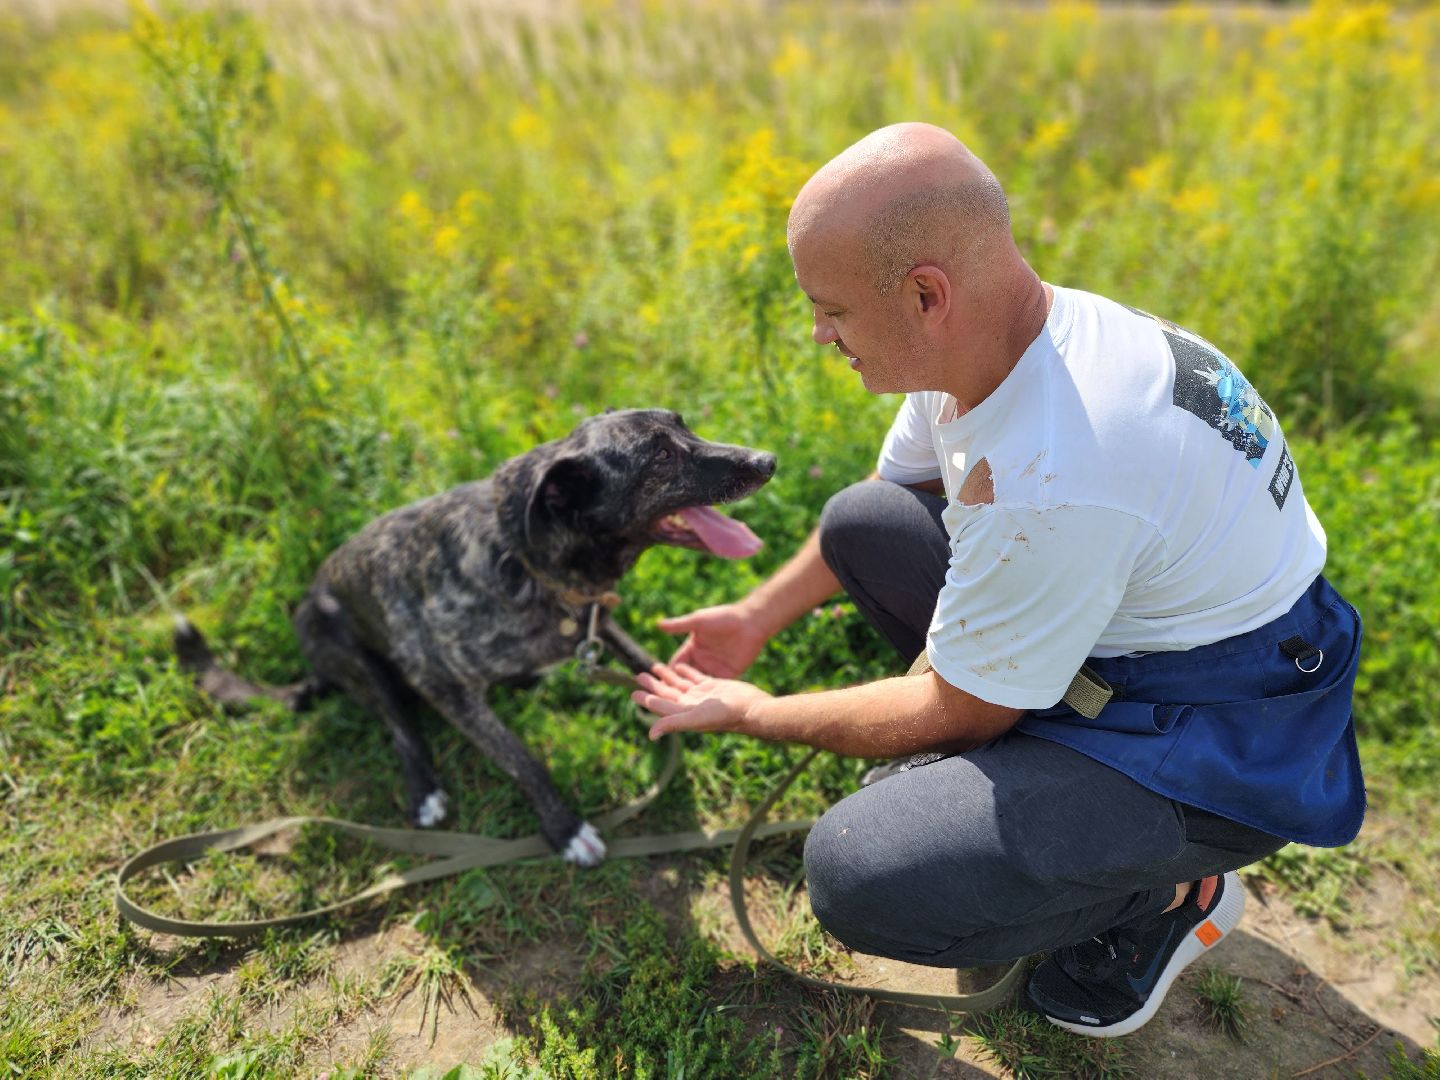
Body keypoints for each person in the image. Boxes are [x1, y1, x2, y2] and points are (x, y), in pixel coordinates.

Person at [632, 122, 1365, 1038]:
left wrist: (749, 711)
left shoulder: (1065, 463)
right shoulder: (997, 347)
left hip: (1229, 733)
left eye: (833, 310)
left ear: (926, 293)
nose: (819, 332)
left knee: (859, 875)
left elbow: (965, 709)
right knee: (864, 526)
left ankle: (1175, 892)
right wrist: (752, 615)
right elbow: (889, 496)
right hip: (1133, 634)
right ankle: (1040, 796)